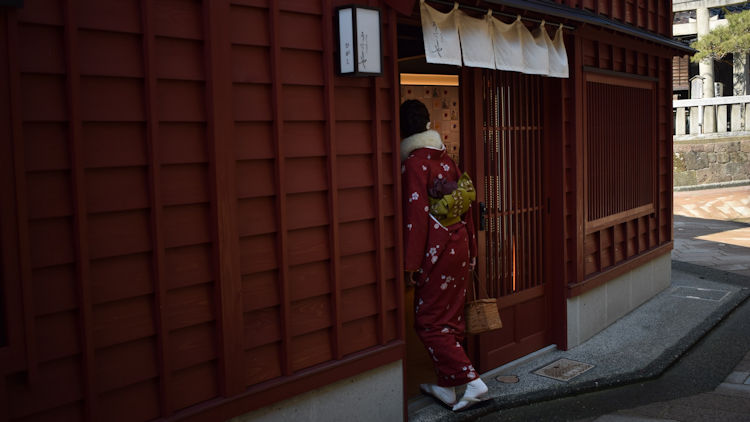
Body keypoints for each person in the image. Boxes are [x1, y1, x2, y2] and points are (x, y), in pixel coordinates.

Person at [400, 99, 488, 411]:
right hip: (460, 245)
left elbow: (417, 217)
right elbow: (466, 209)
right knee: (449, 319)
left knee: (428, 322)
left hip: (436, 252)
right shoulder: (445, 160)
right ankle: (449, 387)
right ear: (427, 125)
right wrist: (474, 250)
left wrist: (410, 264)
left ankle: (472, 381)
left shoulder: (413, 164)